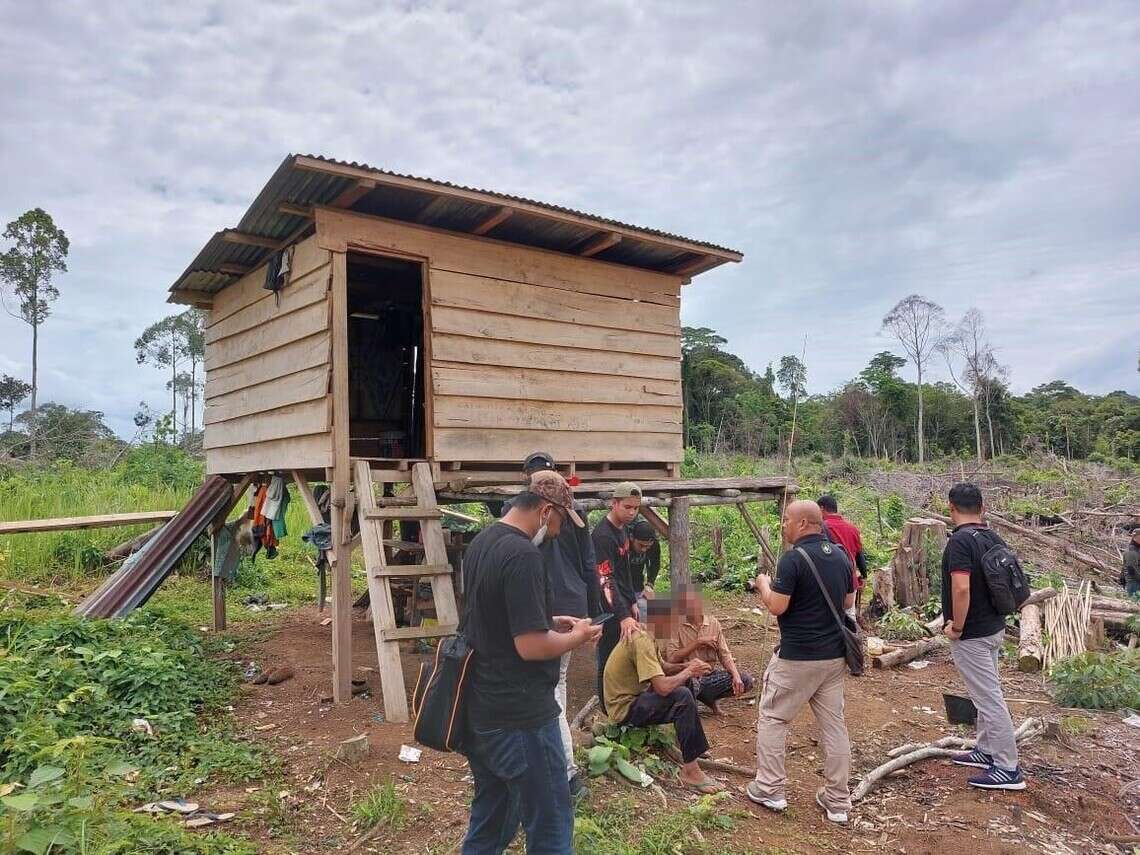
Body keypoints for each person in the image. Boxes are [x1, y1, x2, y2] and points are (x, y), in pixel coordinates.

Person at [459, 470, 603, 855]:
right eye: (558, 523)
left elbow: (496, 618)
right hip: (522, 719)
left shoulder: (483, 542)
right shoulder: (523, 554)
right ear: (544, 511)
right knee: (552, 826)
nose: (557, 532)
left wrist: (550, 621)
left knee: (491, 823)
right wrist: (578, 636)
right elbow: (530, 646)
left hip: (484, 715)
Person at [749, 500, 855, 824]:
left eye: (787, 520)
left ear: (804, 523)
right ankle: (838, 800)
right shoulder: (840, 555)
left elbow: (778, 606)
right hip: (834, 658)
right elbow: (849, 600)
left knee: (772, 717)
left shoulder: (793, 559)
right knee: (833, 724)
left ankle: (770, 788)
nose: (783, 526)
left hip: (797, 657)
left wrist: (764, 585)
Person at [517, 454, 600, 800]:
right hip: (567, 605)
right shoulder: (573, 511)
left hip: (546, 611)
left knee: (550, 692)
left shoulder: (521, 517)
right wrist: (593, 612)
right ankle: (556, 772)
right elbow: (590, 564)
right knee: (554, 688)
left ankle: (563, 775)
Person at [940, 483, 1026, 791]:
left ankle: (1007, 767)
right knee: (987, 692)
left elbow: (961, 587)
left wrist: (957, 627)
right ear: (983, 508)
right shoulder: (991, 536)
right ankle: (986, 749)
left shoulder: (960, 543)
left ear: (951, 508)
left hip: (972, 632)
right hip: (993, 626)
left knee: (988, 698)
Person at [603, 596, 723, 794]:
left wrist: (685, 666)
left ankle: (688, 747)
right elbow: (662, 688)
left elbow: (662, 666)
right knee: (682, 696)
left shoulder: (648, 635)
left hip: (635, 699)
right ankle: (690, 772)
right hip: (623, 709)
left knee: (683, 682)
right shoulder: (641, 640)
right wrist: (689, 671)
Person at [591, 482, 643, 711]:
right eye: (627, 507)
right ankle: (606, 707)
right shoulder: (603, 535)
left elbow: (624, 571)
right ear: (614, 504)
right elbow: (605, 579)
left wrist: (632, 601)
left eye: (636, 508)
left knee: (624, 653)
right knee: (608, 654)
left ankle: (623, 700)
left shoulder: (623, 529)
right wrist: (622, 615)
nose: (632, 512)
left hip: (621, 601)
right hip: (605, 605)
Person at [665, 584, 753, 715]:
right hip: (688, 676)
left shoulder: (713, 623)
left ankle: (710, 698)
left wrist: (736, 676)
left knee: (745, 680)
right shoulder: (675, 625)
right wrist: (698, 642)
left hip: (709, 676)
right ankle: (688, 708)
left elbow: (725, 655)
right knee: (690, 685)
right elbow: (671, 658)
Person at [817, 495, 869, 620]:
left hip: (826, 579)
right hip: (849, 578)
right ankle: (852, 639)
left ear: (822, 508)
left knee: (825, 616)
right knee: (849, 616)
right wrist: (864, 576)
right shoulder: (852, 528)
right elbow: (859, 554)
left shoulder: (820, 528)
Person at [628, 518, 662, 618]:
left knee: (644, 617)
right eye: (641, 545)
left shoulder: (654, 544)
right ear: (632, 538)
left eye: (647, 547)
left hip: (638, 586)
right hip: (621, 587)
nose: (644, 549)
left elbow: (655, 563)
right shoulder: (623, 542)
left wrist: (650, 584)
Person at [1121, 529, 1140, 598]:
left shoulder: (1137, 549)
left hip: (1136, 582)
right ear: (1135, 537)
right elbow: (1131, 570)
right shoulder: (1131, 551)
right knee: (1135, 606)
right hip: (1134, 583)